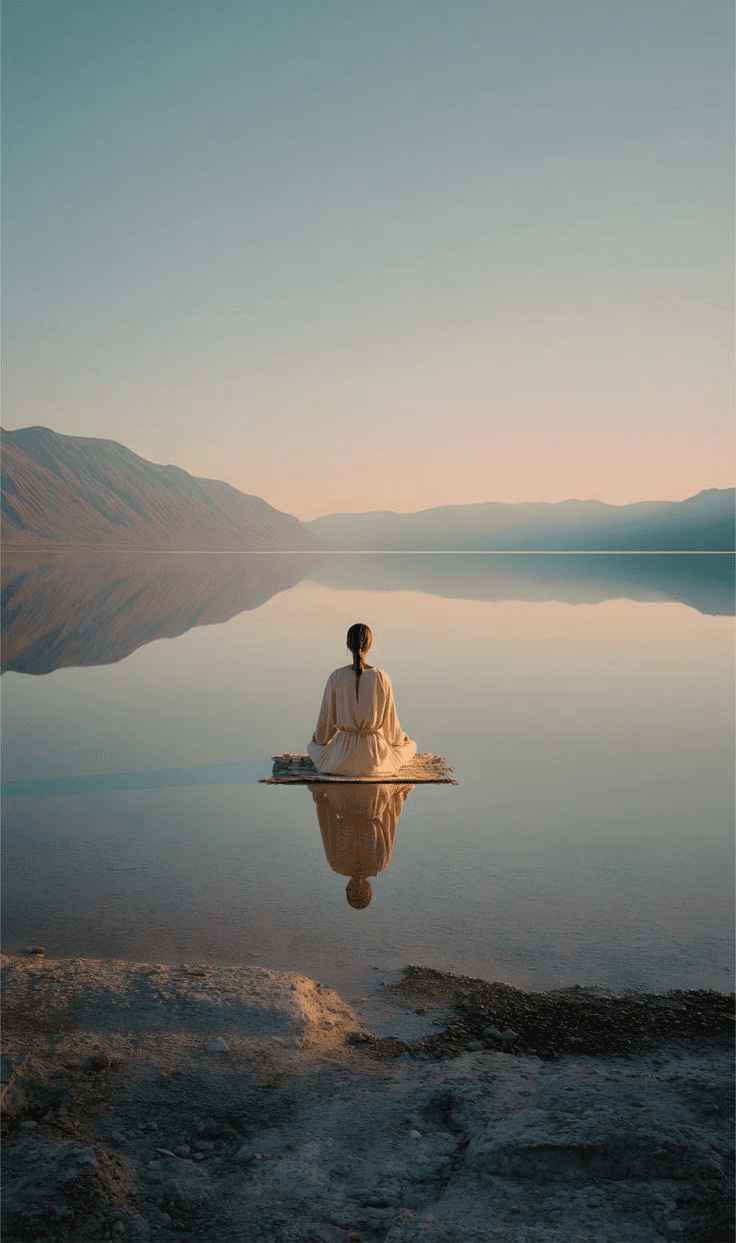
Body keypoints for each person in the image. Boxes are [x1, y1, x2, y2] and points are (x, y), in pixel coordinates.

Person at [307, 622, 417, 777]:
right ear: (370, 645)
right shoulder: (382, 677)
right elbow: (390, 729)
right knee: (411, 746)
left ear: (347, 645)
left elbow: (326, 724)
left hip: (340, 759)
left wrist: (318, 739)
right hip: (374, 759)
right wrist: (402, 739)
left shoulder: (336, 676)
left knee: (312, 746)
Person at [308, 781, 414, 908]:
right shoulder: (337, 864)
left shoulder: (380, 864)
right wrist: (320, 797)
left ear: (369, 888)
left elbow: (390, 818)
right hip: (342, 799)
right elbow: (326, 821)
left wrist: (396, 796)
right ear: (347, 888)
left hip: (371, 799)